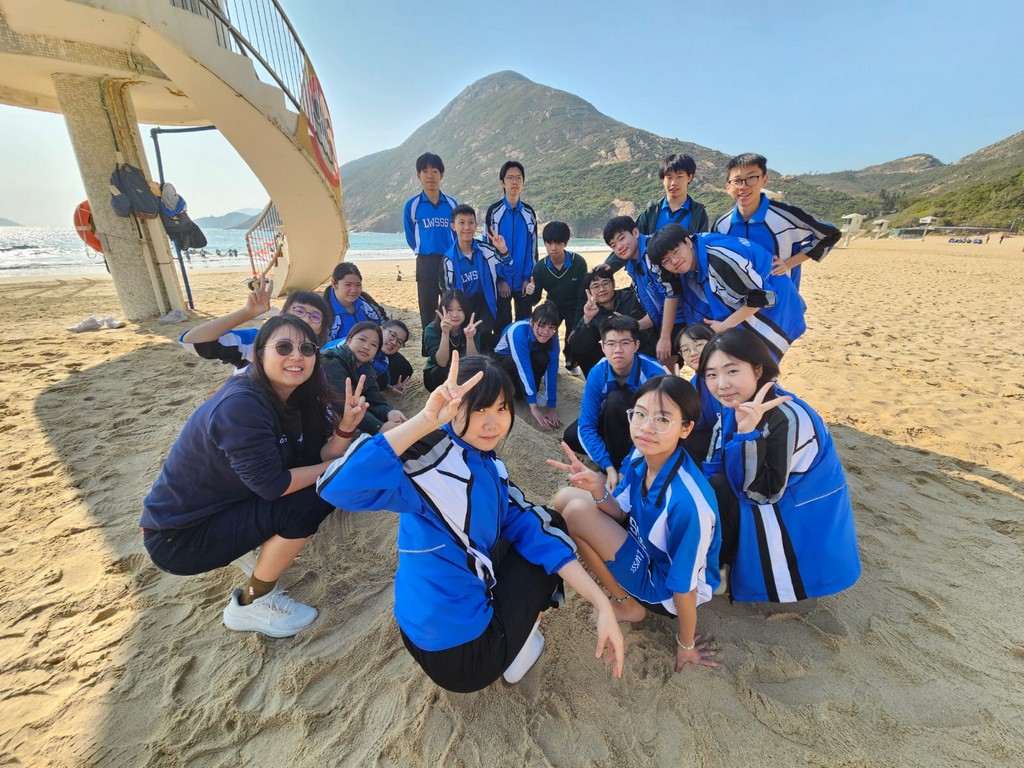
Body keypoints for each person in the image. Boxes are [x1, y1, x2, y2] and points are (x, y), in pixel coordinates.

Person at [317, 354, 625, 691]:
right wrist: (424, 420)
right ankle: (518, 653)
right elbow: (335, 486)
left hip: (418, 631)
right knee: (542, 544)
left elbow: (527, 523)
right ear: (452, 407)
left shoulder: (486, 462)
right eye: (478, 409)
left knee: (542, 524)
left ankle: (506, 626)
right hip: (467, 656)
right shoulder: (426, 457)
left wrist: (600, 603)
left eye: (501, 408)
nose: (493, 423)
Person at [140, 315, 367, 637]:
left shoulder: (297, 398)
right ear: (259, 354)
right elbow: (274, 485)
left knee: (320, 481)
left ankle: (249, 547)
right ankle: (252, 602)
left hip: (220, 506)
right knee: (314, 499)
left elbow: (317, 457)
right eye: (284, 347)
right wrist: (340, 466)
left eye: (306, 349)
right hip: (178, 538)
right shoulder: (241, 405)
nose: (296, 356)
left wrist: (345, 428)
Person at [547, 375, 721, 673]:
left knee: (575, 514)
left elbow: (685, 587)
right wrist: (598, 488)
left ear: (686, 428)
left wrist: (686, 645)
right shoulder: (643, 455)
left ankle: (628, 605)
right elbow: (620, 513)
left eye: (662, 419)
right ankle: (620, 588)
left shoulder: (688, 504)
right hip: (645, 544)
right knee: (564, 498)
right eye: (639, 414)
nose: (646, 427)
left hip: (665, 587)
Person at [700, 328, 861, 602]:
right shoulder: (737, 405)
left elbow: (763, 492)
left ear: (758, 369)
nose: (722, 384)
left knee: (717, 489)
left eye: (732, 371)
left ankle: (722, 567)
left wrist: (746, 435)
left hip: (798, 512)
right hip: (760, 489)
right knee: (705, 488)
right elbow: (715, 463)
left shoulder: (788, 417)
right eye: (711, 375)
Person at [646, 224, 807, 360]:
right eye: (666, 261)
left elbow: (762, 298)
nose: (674, 261)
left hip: (778, 304)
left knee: (757, 363)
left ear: (687, 242)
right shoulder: (695, 251)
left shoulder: (719, 260)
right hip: (751, 293)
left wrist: (725, 325)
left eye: (676, 252)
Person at [563, 316, 667, 492]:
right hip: (612, 423)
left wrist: (625, 469)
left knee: (616, 400)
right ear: (603, 347)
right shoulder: (598, 372)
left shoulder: (654, 374)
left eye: (625, 343)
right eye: (611, 344)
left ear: (636, 345)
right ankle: (612, 466)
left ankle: (624, 467)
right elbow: (586, 426)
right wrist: (608, 466)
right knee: (572, 436)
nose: (618, 350)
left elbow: (657, 427)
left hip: (643, 428)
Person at [712, 153, 840, 291]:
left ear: (764, 179)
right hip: (738, 299)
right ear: (728, 187)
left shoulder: (786, 216)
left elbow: (830, 234)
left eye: (751, 178)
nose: (743, 186)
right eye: (737, 181)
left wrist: (789, 263)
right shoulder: (722, 224)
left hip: (781, 297)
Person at [179, 277, 331, 370]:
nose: (305, 318)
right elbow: (192, 341)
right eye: (299, 311)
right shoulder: (256, 341)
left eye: (315, 316)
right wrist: (247, 313)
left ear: (320, 329)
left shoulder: (318, 353)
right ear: (282, 315)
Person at [603, 215, 686, 366]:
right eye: (613, 245)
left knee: (670, 361)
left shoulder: (651, 252)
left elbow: (671, 293)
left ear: (635, 232)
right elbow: (654, 306)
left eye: (621, 238)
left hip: (688, 315)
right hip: (671, 318)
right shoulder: (633, 264)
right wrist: (633, 325)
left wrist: (665, 337)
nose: (619, 247)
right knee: (665, 362)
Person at [441, 204, 510, 352]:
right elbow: (447, 292)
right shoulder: (448, 260)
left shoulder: (487, 250)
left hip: (485, 303)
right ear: (453, 226)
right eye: (461, 222)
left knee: (483, 334)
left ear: (476, 225)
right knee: (465, 339)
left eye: (471, 222)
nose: (467, 227)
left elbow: (507, 270)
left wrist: (503, 251)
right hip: (463, 306)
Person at [404, 152, 458, 337]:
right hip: (425, 263)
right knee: (427, 311)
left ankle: (451, 344)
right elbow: (411, 236)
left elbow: (457, 233)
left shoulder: (451, 204)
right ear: (418, 175)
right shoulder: (412, 205)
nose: (430, 176)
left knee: (450, 306)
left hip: (448, 261)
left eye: (434, 171)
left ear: (441, 174)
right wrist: (423, 249)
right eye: (425, 171)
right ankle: (429, 348)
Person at [321, 321, 407, 435]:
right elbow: (343, 403)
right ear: (349, 340)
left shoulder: (367, 367)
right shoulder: (332, 362)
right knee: (340, 416)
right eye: (362, 339)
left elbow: (374, 398)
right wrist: (379, 427)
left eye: (374, 345)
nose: (366, 347)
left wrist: (390, 412)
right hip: (311, 412)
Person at [569, 264, 654, 375]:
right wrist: (587, 318)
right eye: (595, 286)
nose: (602, 289)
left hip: (641, 349)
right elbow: (578, 346)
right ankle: (602, 380)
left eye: (605, 283)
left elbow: (655, 316)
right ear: (589, 292)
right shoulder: (591, 310)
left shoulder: (631, 297)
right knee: (583, 348)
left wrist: (629, 325)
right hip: (612, 358)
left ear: (613, 283)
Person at [527, 221, 588, 375]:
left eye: (558, 243)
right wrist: (530, 292)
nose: (553, 248)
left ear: (565, 243)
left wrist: (577, 325)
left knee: (574, 334)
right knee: (544, 329)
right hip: (554, 304)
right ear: (544, 243)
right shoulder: (540, 267)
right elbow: (535, 300)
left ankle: (571, 362)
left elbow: (583, 296)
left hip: (575, 304)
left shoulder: (578, 262)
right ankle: (544, 363)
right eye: (549, 243)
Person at [485, 161, 539, 331]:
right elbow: (489, 249)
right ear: (502, 182)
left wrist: (527, 278)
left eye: (518, 178)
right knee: (502, 326)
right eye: (510, 178)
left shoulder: (529, 213)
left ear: (523, 182)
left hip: (522, 281)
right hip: (503, 282)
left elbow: (532, 249)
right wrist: (500, 279)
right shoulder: (494, 212)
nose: (514, 182)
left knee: (525, 326)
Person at [494, 302, 562, 430]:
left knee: (543, 359)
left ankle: (531, 391)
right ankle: (518, 392)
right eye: (541, 326)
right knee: (518, 386)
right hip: (505, 359)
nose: (546, 331)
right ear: (531, 322)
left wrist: (552, 407)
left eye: (551, 327)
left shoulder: (553, 337)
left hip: (529, 355)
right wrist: (534, 407)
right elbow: (523, 367)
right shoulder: (518, 331)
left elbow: (552, 370)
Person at [674, 323, 720, 462]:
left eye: (699, 345)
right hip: (713, 441)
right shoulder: (693, 384)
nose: (693, 353)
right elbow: (697, 424)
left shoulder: (730, 375)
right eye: (685, 350)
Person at [422, 289, 483, 392]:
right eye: (450, 310)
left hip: (463, 370)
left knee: (479, 371)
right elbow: (442, 363)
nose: (455, 315)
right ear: (442, 310)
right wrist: (445, 333)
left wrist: (469, 338)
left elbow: (473, 362)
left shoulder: (471, 328)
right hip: (437, 374)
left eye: (459, 309)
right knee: (447, 373)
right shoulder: (432, 329)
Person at [637, 154, 710, 236]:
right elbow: (637, 240)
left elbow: (702, 242)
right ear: (663, 180)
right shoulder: (651, 210)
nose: (673, 183)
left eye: (679, 176)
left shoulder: (698, 213)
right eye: (669, 177)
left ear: (689, 177)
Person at [322, 263, 386, 342]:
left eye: (358, 285)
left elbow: (382, 320)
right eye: (348, 285)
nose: (354, 290)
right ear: (334, 284)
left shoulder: (365, 301)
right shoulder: (325, 312)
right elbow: (323, 344)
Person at [373, 319, 414, 393]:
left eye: (399, 342)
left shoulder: (385, 360)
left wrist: (390, 390)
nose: (394, 342)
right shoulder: (364, 347)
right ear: (381, 329)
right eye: (392, 335)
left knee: (404, 368)